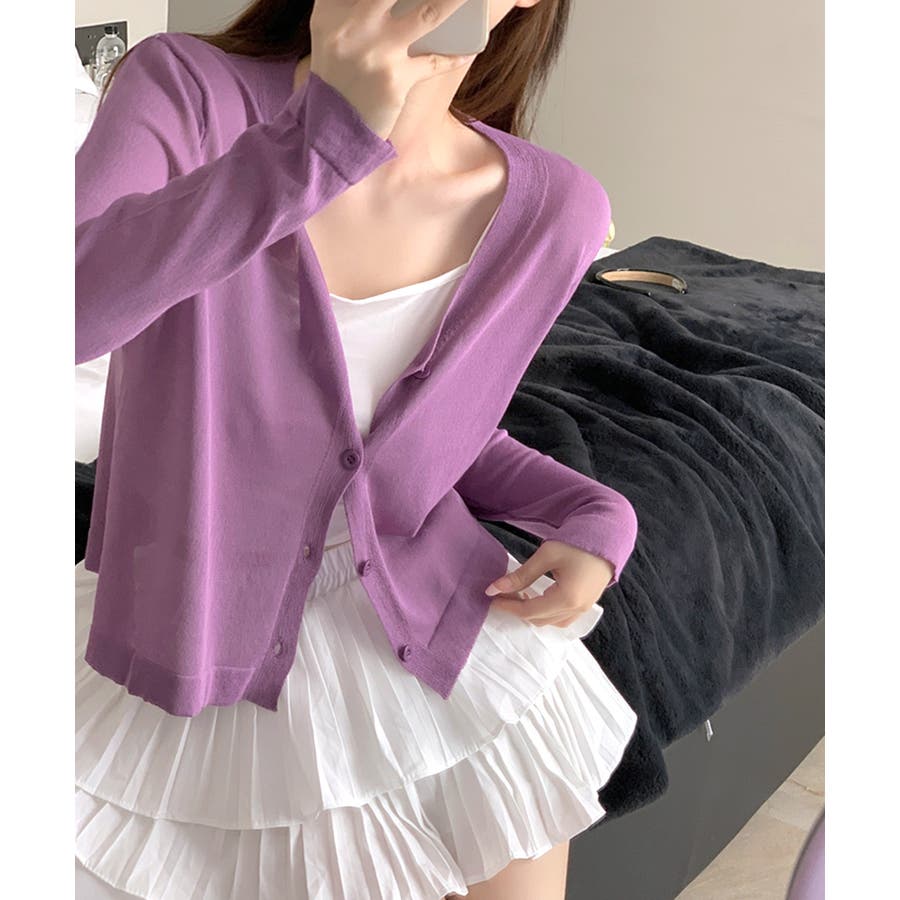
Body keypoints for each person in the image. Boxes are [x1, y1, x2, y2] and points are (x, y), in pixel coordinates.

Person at [74, 2, 639, 898]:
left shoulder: (555, 210)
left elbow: (415, 441)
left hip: (430, 631)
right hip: (185, 622)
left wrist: (593, 512)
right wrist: (316, 143)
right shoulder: (185, 92)